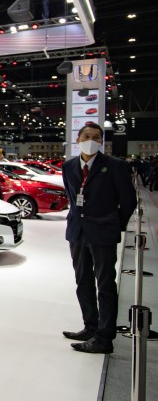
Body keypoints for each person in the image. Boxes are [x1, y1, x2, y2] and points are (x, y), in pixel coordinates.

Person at [62, 123, 136, 354]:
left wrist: (114, 224)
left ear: (101, 141)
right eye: (87, 136)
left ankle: (104, 337)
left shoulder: (115, 166)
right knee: (82, 281)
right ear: (78, 138)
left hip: (103, 232)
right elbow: (72, 198)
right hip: (78, 232)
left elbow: (128, 201)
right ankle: (90, 326)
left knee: (105, 284)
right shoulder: (69, 166)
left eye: (96, 137)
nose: (91, 140)